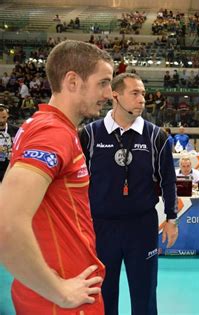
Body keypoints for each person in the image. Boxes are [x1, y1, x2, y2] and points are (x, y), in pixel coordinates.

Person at [0, 40, 114, 314]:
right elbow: (6, 223)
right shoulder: (53, 134)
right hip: (59, 302)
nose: (110, 94)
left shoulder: (38, 125)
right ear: (72, 81)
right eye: (103, 83)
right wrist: (59, 292)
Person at [79, 73, 178, 315]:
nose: (142, 99)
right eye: (135, 93)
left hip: (141, 227)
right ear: (115, 95)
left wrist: (172, 218)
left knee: (144, 293)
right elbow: (76, 184)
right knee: (103, 292)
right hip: (101, 227)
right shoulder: (89, 135)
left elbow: (169, 181)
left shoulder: (157, 137)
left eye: (143, 93)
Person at [0, 105, 18, 181]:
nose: (0, 120)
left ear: (7, 115)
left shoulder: (17, 130)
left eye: (3, 117)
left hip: (10, 168)